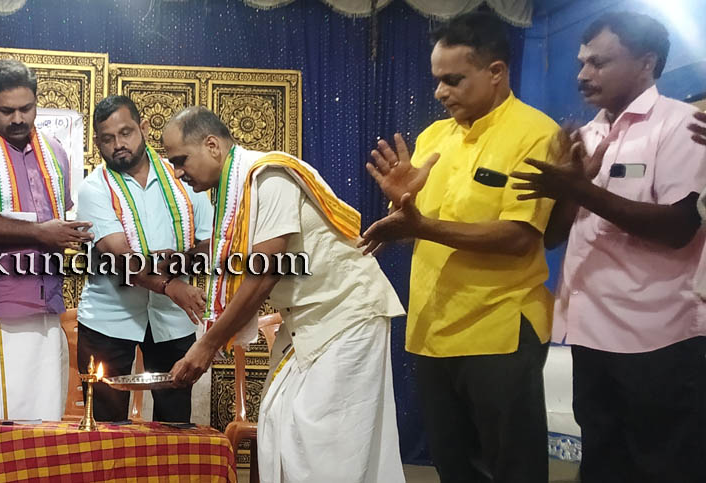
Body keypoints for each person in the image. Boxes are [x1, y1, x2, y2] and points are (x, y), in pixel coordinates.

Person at [359, 12, 560, 483]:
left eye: (453, 80)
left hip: (500, 328)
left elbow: (519, 237)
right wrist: (401, 210)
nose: (439, 92)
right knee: (454, 468)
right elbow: (417, 227)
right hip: (432, 329)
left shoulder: (536, 134)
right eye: (436, 80)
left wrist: (422, 225)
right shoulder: (434, 138)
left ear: (496, 72)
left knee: (513, 469)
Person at [511, 12, 706, 482]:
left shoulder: (681, 126)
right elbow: (555, 237)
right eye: (582, 62)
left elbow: (680, 227)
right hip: (590, 333)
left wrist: (583, 190)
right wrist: (570, 190)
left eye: (599, 63)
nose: (583, 74)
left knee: (664, 465)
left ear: (647, 63)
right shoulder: (587, 135)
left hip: (658, 337)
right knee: (601, 461)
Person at [164, 106, 406, 483]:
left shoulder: (269, 177)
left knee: (325, 447)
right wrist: (191, 255)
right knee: (278, 425)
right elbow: (241, 245)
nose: (178, 172)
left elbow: (264, 272)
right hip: (307, 322)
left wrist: (207, 345)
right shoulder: (237, 188)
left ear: (212, 145)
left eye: (180, 160)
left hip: (346, 314)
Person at [0, 59, 94, 448]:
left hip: (45, 304)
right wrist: (40, 233)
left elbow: (56, 218)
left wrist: (69, 233)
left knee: (42, 423)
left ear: (37, 103)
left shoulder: (54, 152)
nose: (17, 119)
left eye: (25, 108)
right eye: (6, 110)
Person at [76, 95, 212, 423]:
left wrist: (176, 262)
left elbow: (211, 245)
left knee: (174, 424)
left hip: (173, 318)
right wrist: (171, 284)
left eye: (126, 133)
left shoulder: (182, 175)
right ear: (97, 142)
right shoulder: (94, 189)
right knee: (105, 428)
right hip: (109, 319)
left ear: (144, 128)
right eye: (107, 139)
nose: (118, 145)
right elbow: (122, 259)